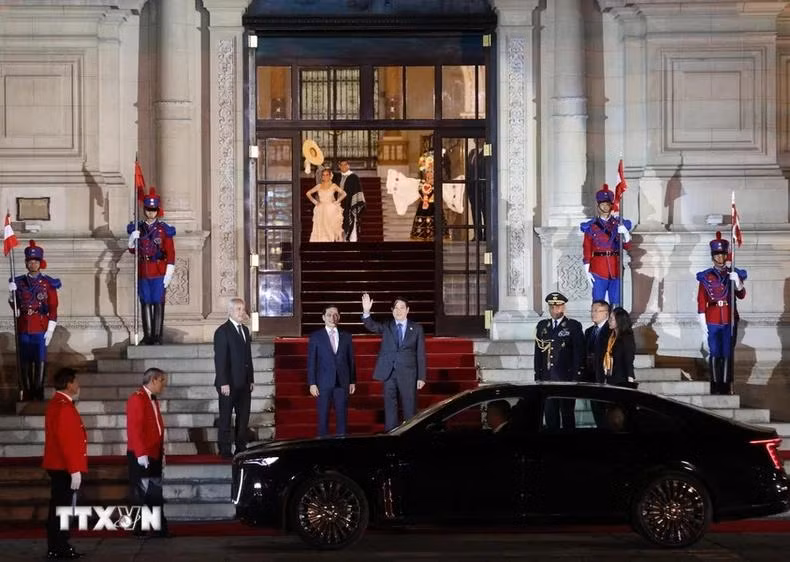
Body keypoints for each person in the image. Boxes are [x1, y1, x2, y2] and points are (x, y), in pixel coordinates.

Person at [361, 293, 426, 431]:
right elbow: (372, 326)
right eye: (396, 308)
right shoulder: (387, 326)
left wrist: (421, 377)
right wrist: (366, 312)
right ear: (392, 310)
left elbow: (421, 354)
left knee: (409, 407)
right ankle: (391, 434)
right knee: (390, 406)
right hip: (389, 372)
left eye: (402, 307)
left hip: (408, 374)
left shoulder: (416, 329)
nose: (399, 310)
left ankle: (410, 434)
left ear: (407, 310)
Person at [8, 240, 61, 401]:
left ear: (40, 263)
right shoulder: (18, 282)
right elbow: (16, 307)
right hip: (24, 327)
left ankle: (38, 392)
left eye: (36, 261)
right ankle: (26, 392)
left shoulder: (48, 283)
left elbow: (53, 308)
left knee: (40, 360)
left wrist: (50, 330)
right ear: (26, 263)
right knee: (24, 361)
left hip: (40, 327)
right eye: (30, 261)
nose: (33, 264)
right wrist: (12, 296)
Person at [43, 368, 86, 560]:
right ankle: (60, 545)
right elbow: (67, 441)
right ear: (68, 384)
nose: (78, 385)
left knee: (58, 507)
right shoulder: (64, 406)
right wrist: (74, 469)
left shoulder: (58, 403)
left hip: (59, 465)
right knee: (63, 508)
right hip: (63, 466)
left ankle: (56, 546)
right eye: (75, 381)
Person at [697, 232, 747, 395]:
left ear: (726, 255)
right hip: (712, 318)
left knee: (726, 352)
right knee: (715, 352)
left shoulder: (733, 273)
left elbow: (741, 295)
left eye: (723, 254)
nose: (720, 257)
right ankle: (715, 385)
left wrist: (738, 282)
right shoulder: (705, 276)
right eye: (717, 255)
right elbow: (701, 300)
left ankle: (725, 385)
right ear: (713, 257)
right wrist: (702, 321)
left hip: (729, 318)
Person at [127, 187, 176, 345]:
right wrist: (131, 240)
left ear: (157, 210)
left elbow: (170, 252)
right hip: (143, 270)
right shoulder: (138, 228)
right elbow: (133, 251)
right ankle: (147, 336)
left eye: (153, 210)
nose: (151, 213)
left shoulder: (163, 230)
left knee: (158, 302)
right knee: (145, 302)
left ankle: (157, 336)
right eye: (148, 209)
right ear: (144, 210)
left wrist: (169, 272)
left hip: (159, 271)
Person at [126, 367, 170, 538]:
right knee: (141, 493)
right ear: (153, 380)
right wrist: (141, 453)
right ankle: (140, 528)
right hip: (142, 454)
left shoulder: (152, 399)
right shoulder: (137, 398)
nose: (163, 384)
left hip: (154, 452)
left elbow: (156, 428)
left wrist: (161, 452)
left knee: (155, 492)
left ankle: (158, 528)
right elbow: (135, 428)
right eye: (161, 381)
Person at [533, 292, 584, 430]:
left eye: (558, 306)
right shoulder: (543, 326)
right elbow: (538, 354)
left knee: (567, 414)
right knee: (550, 415)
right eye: (552, 307)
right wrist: (538, 375)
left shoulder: (573, 326)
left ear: (563, 307)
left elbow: (578, 353)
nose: (555, 310)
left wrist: (576, 377)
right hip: (547, 378)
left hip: (566, 379)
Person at [213, 298, 254, 457]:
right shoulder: (222, 331)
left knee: (243, 418)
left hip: (244, 383)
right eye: (238, 309)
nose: (242, 312)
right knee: (225, 417)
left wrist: (251, 379)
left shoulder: (245, 330)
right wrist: (223, 382)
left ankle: (240, 447)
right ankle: (224, 449)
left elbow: (248, 357)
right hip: (228, 383)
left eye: (243, 309)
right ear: (230, 311)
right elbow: (220, 360)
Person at [307, 305, 356, 437]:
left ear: (339, 317)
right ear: (323, 317)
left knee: (342, 419)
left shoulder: (346, 336)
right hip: (323, 383)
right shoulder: (316, 336)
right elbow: (311, 361)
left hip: (342, 382)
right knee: (323, 419)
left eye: (335, 315)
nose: (332, 318)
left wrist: (352, 381)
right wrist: (312, 383)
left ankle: (342, 444)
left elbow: (350, 360)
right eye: (329, 315)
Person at [580, 184, 632, 306]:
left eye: (608, 204)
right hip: (598, 269)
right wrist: (587, 269)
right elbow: (587, 248)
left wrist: (626, 234)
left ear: (611, 206)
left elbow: (627, 246)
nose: (605, 207)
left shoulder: (619, 224)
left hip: (616, 268)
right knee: (598, 303)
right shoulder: (591, 226)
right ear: (598, 206)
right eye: (603, 204)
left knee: (617, 303)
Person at [307, 168, 346, 242]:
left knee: (330, 227)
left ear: (330, 176)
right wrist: (315, 202)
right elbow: (308, 193)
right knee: (320, 228)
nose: (325, 176)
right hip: (320, 209)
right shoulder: (319, 186)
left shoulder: (333, 186)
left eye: (327, 175)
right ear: (322, 176)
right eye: (323, 175)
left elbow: (344, 194)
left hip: (330, 209)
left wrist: (337, 202)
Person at [602, 307, 637, 389]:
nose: (609, 321)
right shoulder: (611, 335)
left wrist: (630, 380)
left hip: (620, 379)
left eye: (611, 319)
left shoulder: (626, 338)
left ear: (619, 320)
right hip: (609, 376)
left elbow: (629, 360)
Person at [334, 160, 366, 242]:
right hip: (338, 206)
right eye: (341, 165)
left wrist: (354, 205)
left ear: (349, 166)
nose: (343, 166)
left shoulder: (354, 177)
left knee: (350, 224)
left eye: (345, 164)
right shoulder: (337, 176)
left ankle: (351, 241)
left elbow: (358, 190)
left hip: (349, 205)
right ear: (339, 166)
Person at [410, 153, 437, 241]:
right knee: (423, 226)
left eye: (431, 172)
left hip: (434, 206)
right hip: (424, 207)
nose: (429, 174)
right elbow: (420, 191)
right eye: (428, 172)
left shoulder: (437, 183)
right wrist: (425, 194)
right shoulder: (422, 182)